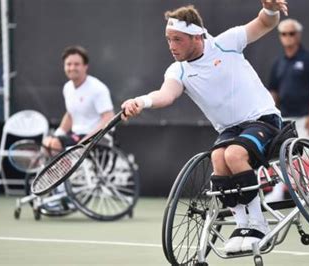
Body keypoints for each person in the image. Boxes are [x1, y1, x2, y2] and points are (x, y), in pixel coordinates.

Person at [121, 2, 288, 254]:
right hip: (231, 131)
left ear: (197, 36)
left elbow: (264, 23)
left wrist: (271, 10)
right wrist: (140, 102)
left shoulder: (226, 42)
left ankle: (258, 224)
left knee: (233, 154)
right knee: (218, 159)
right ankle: (242, 226)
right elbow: (165, 95)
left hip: (263, 119)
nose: (171, 46)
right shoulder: (178, 70)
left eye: (177, 39)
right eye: (168, 39)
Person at [266, 19, 309, 202]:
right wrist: (271, 113)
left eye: (291, 33)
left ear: (298, 35)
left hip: (306, 117)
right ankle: (284, 191)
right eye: (284, 34)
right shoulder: (278, 63)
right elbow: (273, 91)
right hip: (285, 118)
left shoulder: (308, 59)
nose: (288, 37)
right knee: (284, 156)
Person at [43, 45, 115, 153]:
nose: (72, 68)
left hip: (98, 140)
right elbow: (70, 114)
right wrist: (58, 133)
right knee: (47, 142)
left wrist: (88, 139)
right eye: (68, 64)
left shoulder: (97, 88)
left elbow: (109, 117)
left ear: (85, 66)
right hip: (77, 137)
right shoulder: (67, 88)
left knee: (55, 144)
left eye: (76, 64)